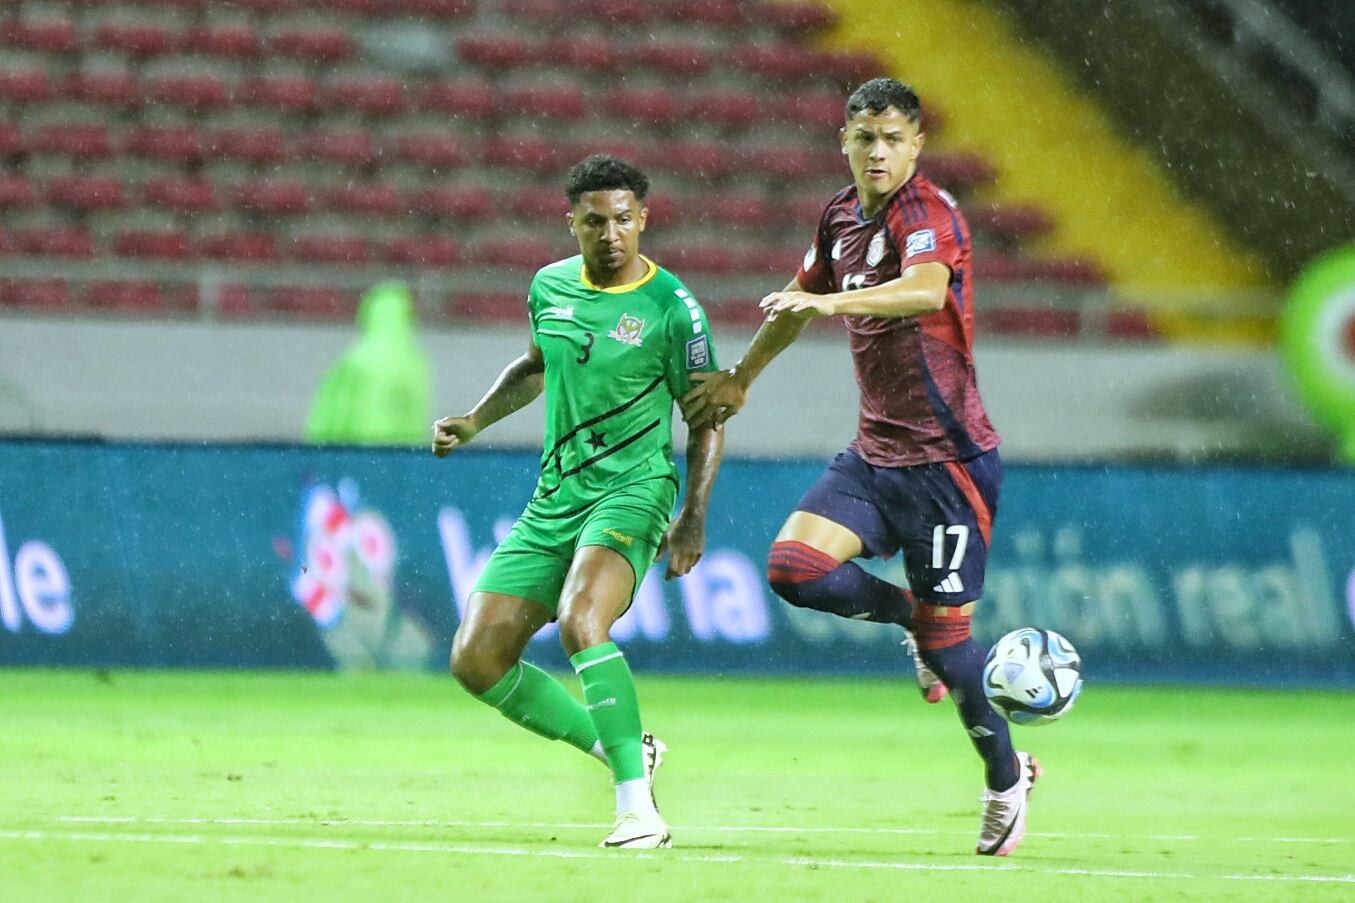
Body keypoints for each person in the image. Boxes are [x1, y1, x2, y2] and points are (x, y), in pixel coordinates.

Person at [681, 78, 1039, 857]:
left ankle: (1007, 778)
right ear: (843, 140)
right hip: (876, 453)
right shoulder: (839, 216)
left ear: (916, 146)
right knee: (794, 569)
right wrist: (741, 376)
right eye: (864, 136)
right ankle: (914, 618)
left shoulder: (928, 214)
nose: (877, 151)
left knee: (950, 648)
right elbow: (796, 298)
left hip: (948, 464)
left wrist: (833, 305)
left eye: (892, 139)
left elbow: (923, 292)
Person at [433, 155, 724, 850]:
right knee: (476, 658)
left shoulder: (672, 308)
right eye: (595, 221)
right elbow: (536, 365)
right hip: (556, 496)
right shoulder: (549, 286)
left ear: (643, 219)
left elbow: (707, 417)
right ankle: (621, 747)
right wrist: (474, 420)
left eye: (623, 219)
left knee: (581, 620)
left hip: (634, 490)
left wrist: (692, 515)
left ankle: (638, 813)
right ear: (572, 223)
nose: (610, 233)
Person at [305, 280, 431, 446]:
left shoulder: (357, 358)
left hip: (355, 449)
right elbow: (416, 416)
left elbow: (332, 410)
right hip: (400, 453)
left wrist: (318, 446)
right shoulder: (416, 364)